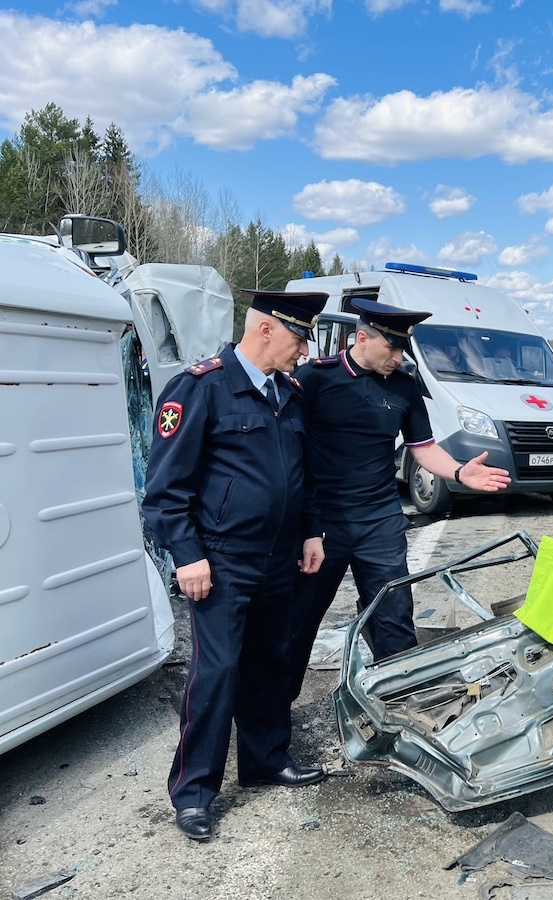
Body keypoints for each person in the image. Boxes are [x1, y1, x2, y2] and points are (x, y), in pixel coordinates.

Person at [142, 289, 330, 843]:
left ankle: (265, 760)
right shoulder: (202, 386)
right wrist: (188, 555)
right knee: (217, 673)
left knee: (271, 661)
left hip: (280, 558)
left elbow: (303, 473)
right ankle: (195, 792)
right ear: (267, 330)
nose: (303, 350)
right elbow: (164, 492)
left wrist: (311, 530)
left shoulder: (289, 394)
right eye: (298, 337)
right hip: (221, 562)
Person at [290, 298, 511, 698]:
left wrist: (460, 471)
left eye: (402, 349)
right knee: (298, 623)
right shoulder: (315, 379)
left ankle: (401, 701)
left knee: (393, 619)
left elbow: (422, 447)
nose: (398, 357)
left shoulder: (404, 385)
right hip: (322, 525)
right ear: (361, 338)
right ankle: (275, 722)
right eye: (391, 348)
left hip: (380, 523)